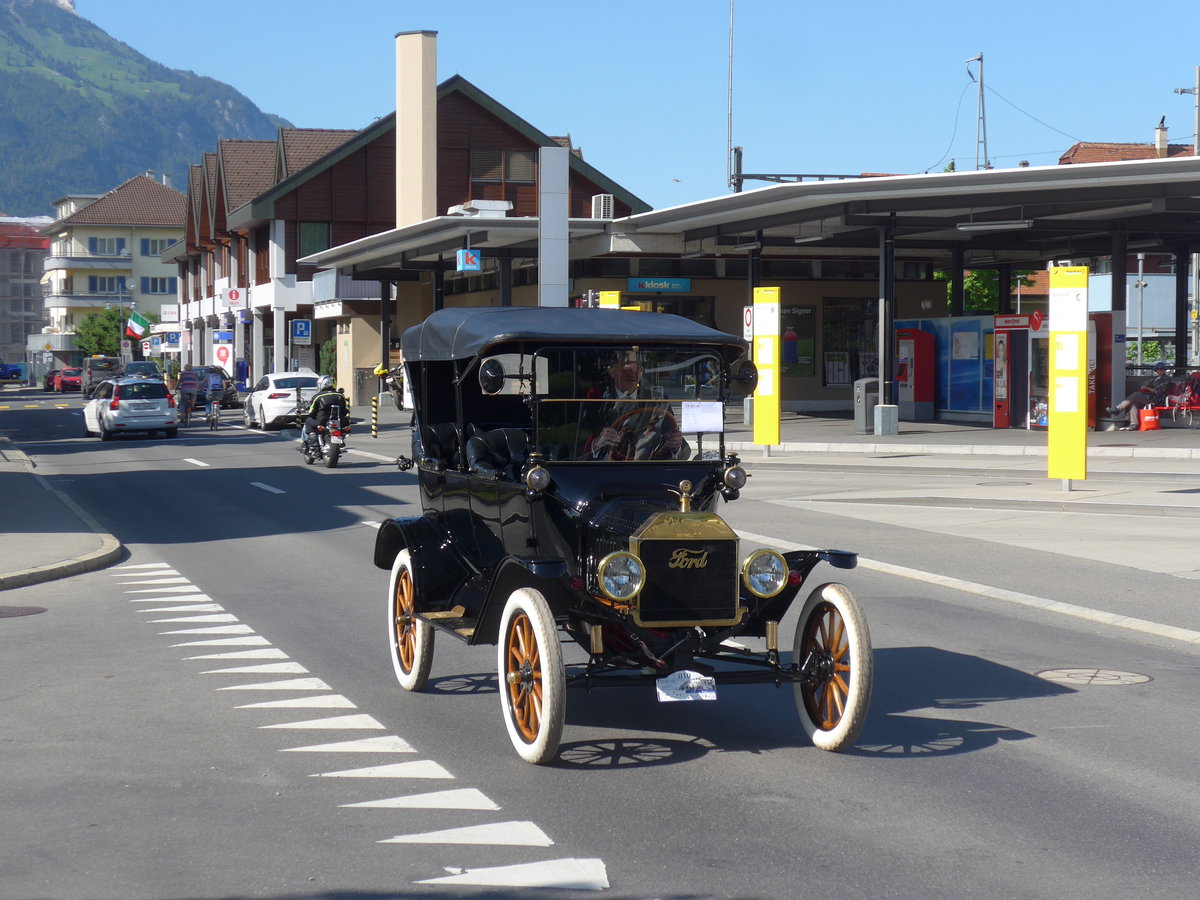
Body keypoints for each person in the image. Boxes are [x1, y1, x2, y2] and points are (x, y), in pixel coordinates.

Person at [586, 353, 688, 460]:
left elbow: (677, 443)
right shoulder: (596, 399)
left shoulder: (657, 401)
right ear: (612, 371)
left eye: (637, 368)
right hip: (605, 470)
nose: (632, 374)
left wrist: (676, 445)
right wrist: (596, 444)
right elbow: (576, 446)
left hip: (645, 470)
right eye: (626, 367)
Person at [1108, 361, 1173, 430]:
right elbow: (1146, 386)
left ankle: (1118, 409)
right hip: (1148, 396)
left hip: (1157, 399)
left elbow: (1159, 392)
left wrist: (1147, 388)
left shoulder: (1166, 379)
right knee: (1134, 403)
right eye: (1158, 369)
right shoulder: (1154, 379)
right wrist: (1145, 388)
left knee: (1136, 395)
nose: (1159, 370)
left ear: (1164, 370)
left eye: (1162, 369)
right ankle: (1133, 424)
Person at [299, 375, 350, 450]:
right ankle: (341, 440)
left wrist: (310, 414)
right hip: (339, 421)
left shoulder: (318, 396)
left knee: (308, 420)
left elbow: (312, 411)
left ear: (321, 384)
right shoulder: (340, 395)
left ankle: (314, 441)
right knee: (344, 427)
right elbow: (346, 410)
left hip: (322, 421)